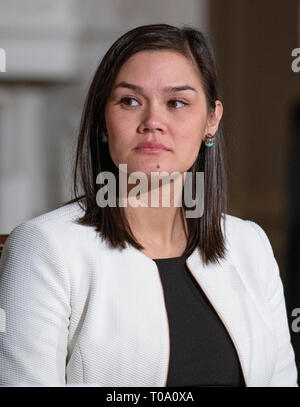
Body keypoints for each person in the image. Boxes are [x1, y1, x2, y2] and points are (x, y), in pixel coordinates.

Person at [0, 23, 298, 387]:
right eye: (130, 101)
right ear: (103, 122)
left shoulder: (250, 244)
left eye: (177, 103)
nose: (153, 122)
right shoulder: (44, 248)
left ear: (212, 120)